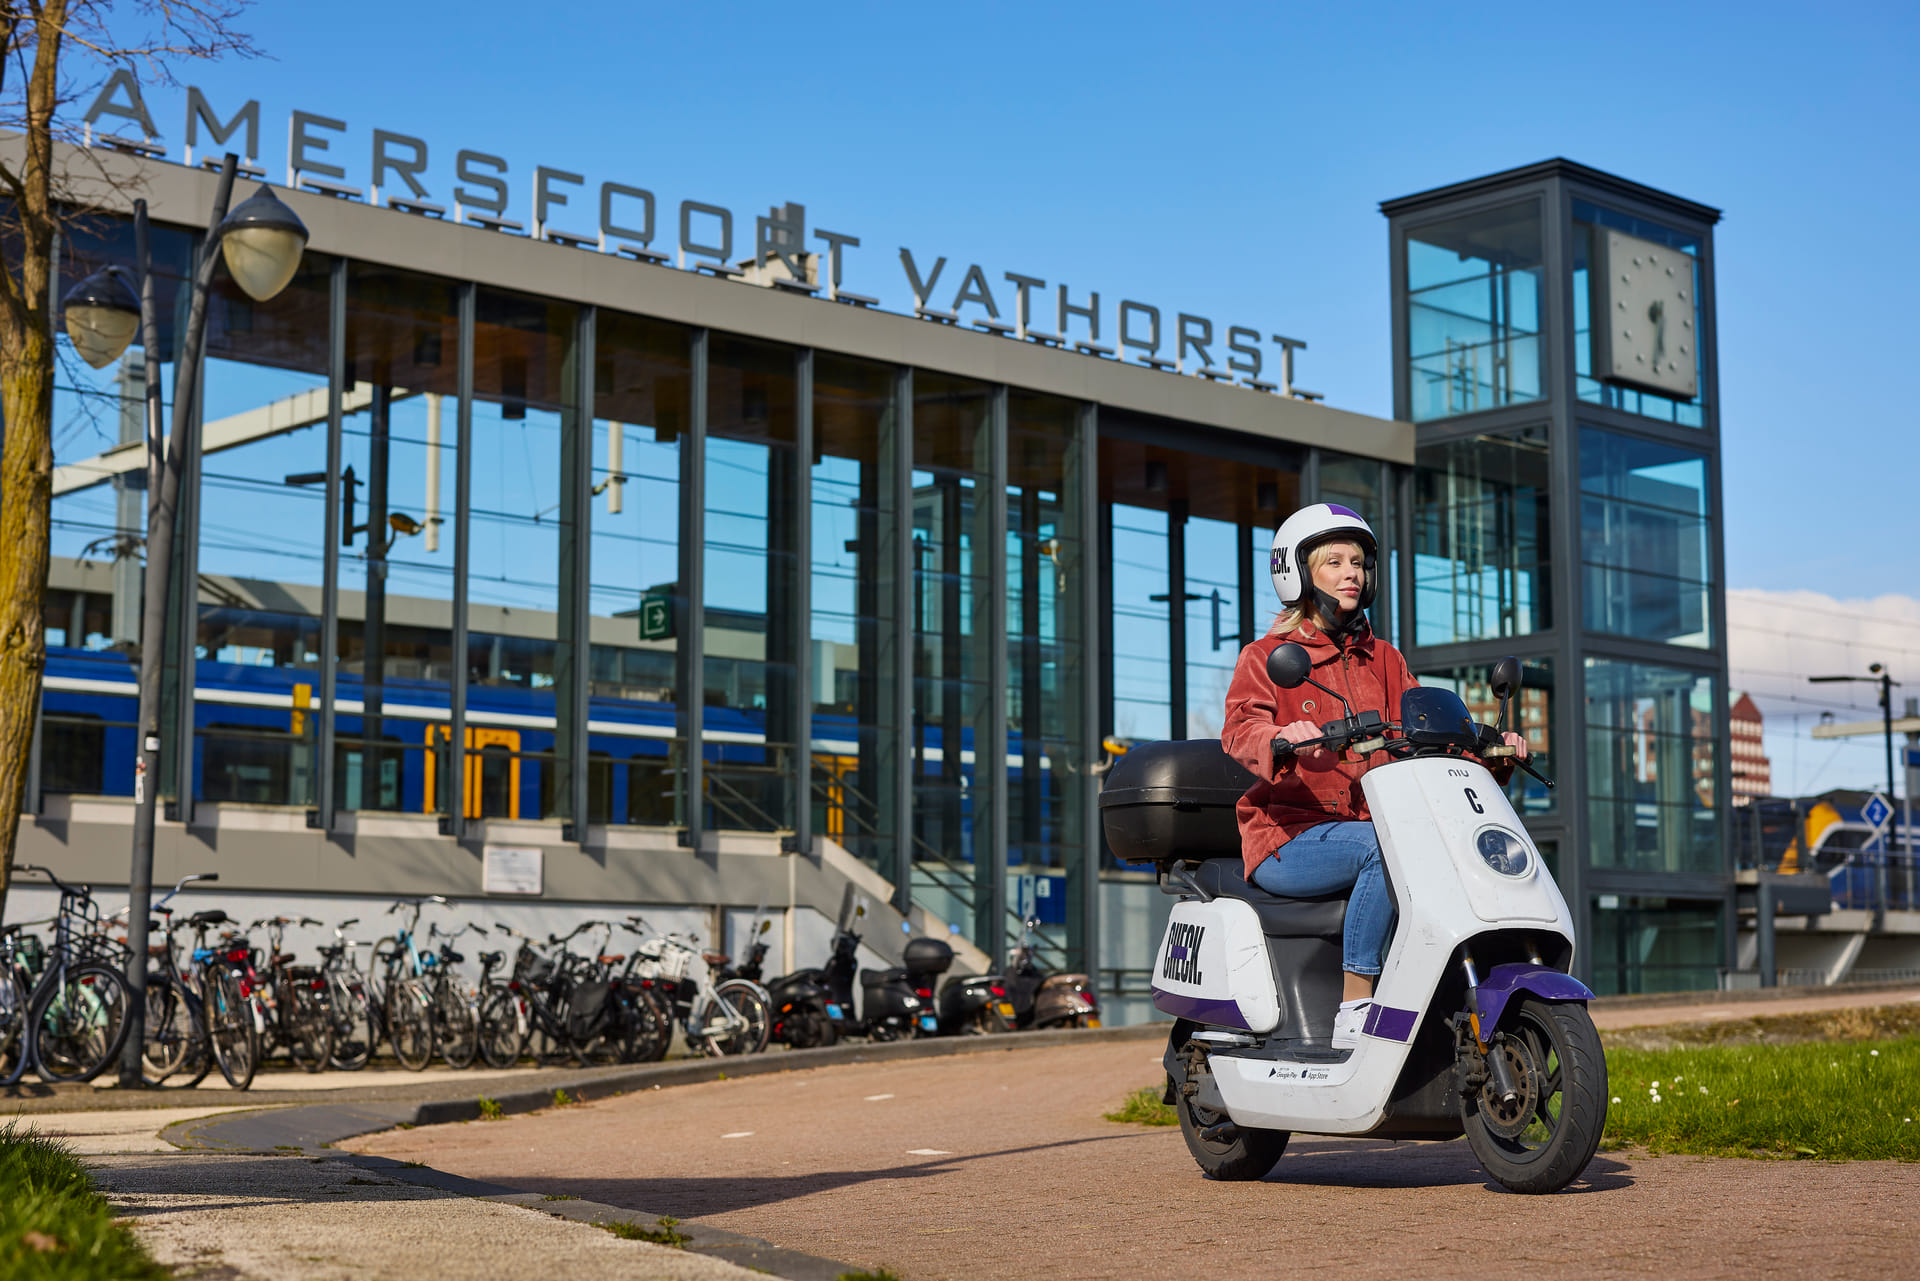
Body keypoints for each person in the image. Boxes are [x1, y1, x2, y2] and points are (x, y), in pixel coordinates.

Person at [1220, 503, 1526, 1049]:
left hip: (1370, 826)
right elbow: (1241, 730)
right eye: (1335, 562)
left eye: (1359, 563)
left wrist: (1494, 752)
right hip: (1288, 836)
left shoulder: (1385, 659)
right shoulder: (1267, 657)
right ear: (1298, 574)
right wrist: (1281, 738)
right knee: (1386, 848)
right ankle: (1355, 1003)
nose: (1352, 574)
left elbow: (1428, 733)